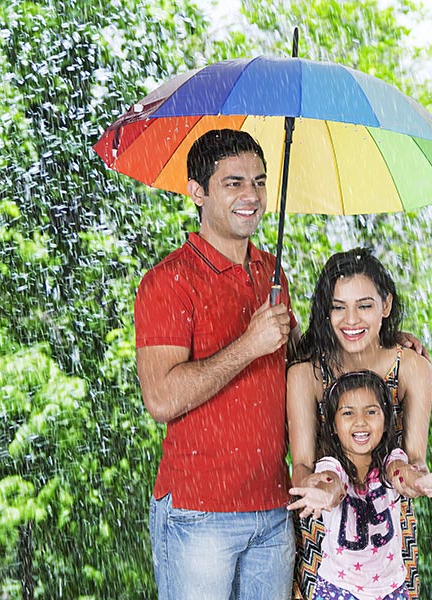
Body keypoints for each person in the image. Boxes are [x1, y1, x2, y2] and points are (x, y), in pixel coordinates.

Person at [135, 129, 298, 600]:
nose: (252, 196)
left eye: (259, 181)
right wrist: (248, 345)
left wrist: (382, 344)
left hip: (273, 509)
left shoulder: (273, 272)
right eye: (233, 183)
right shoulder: (169, 282)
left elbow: (300, 365)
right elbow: (162, 398)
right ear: (197, 192)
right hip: (197, 514)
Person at [287, 248, 432, 599]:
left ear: (385, 306)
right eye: (339, 306)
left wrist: (418, 481)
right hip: (322, 539)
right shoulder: (306, 374)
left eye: (364, 306)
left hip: (388, 549)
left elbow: (413, 461)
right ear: (326, 310)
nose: (351, 320)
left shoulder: (412, 368)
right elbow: (301, 465)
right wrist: (319, 489)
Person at [287, 370, 432, 600]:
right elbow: (333, 484)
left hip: (391, 589)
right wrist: (323, 494)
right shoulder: (332, 465)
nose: (360, 421)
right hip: (338, 589)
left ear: (387, 421)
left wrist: (418, 481)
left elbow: (401, 474)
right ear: (334, 427)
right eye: (348, 413)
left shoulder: (391, 460)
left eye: (371, 412)